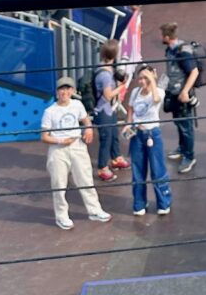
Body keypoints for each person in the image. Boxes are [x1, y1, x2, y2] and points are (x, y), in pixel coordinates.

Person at [40, 75, 112, 230]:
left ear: (72, 90)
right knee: (59, 184)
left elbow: (86, 120)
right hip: (58, 150)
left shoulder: (77, 105)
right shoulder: (50, 111)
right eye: (61, 89)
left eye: (67, 89)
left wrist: (89, 129)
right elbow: (44, 136)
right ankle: (61, 216)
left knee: (85, 179)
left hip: (77, 146)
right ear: (57, 92)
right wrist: (60, 141)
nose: (64, 92)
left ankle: (95, 210)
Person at [122, 64, 172, 216]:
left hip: (153, 134)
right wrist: (128, 124)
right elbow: (130, 109)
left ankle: (163, 202)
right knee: (138, 170)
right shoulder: (136, 92)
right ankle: (139, 204)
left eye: (146, 78)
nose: (143, 81)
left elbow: (156, 100)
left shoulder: (159, 92)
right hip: (137, 133)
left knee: (158, 169)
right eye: (141, 78)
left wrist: (152, 80)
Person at [160, 22, 199, 173]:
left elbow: (194, 72)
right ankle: (182, 148)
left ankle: (189, 156)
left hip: (182, 97)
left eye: (162, 36)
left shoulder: (183, 52)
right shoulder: (170, 50)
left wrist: (185, 91)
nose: (161, 38)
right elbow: (170, 72)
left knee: (186, 128)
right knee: (179, 124)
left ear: (167, 37)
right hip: (173, 94)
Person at [93, 39, 130, 182]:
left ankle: (116, 158)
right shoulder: (105, 75)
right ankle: (102, 167)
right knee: (106, 138)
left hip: (110, 109)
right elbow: (107, 95)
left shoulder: (105, 68)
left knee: (114, 134)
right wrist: (121, 87)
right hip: (104, 111)